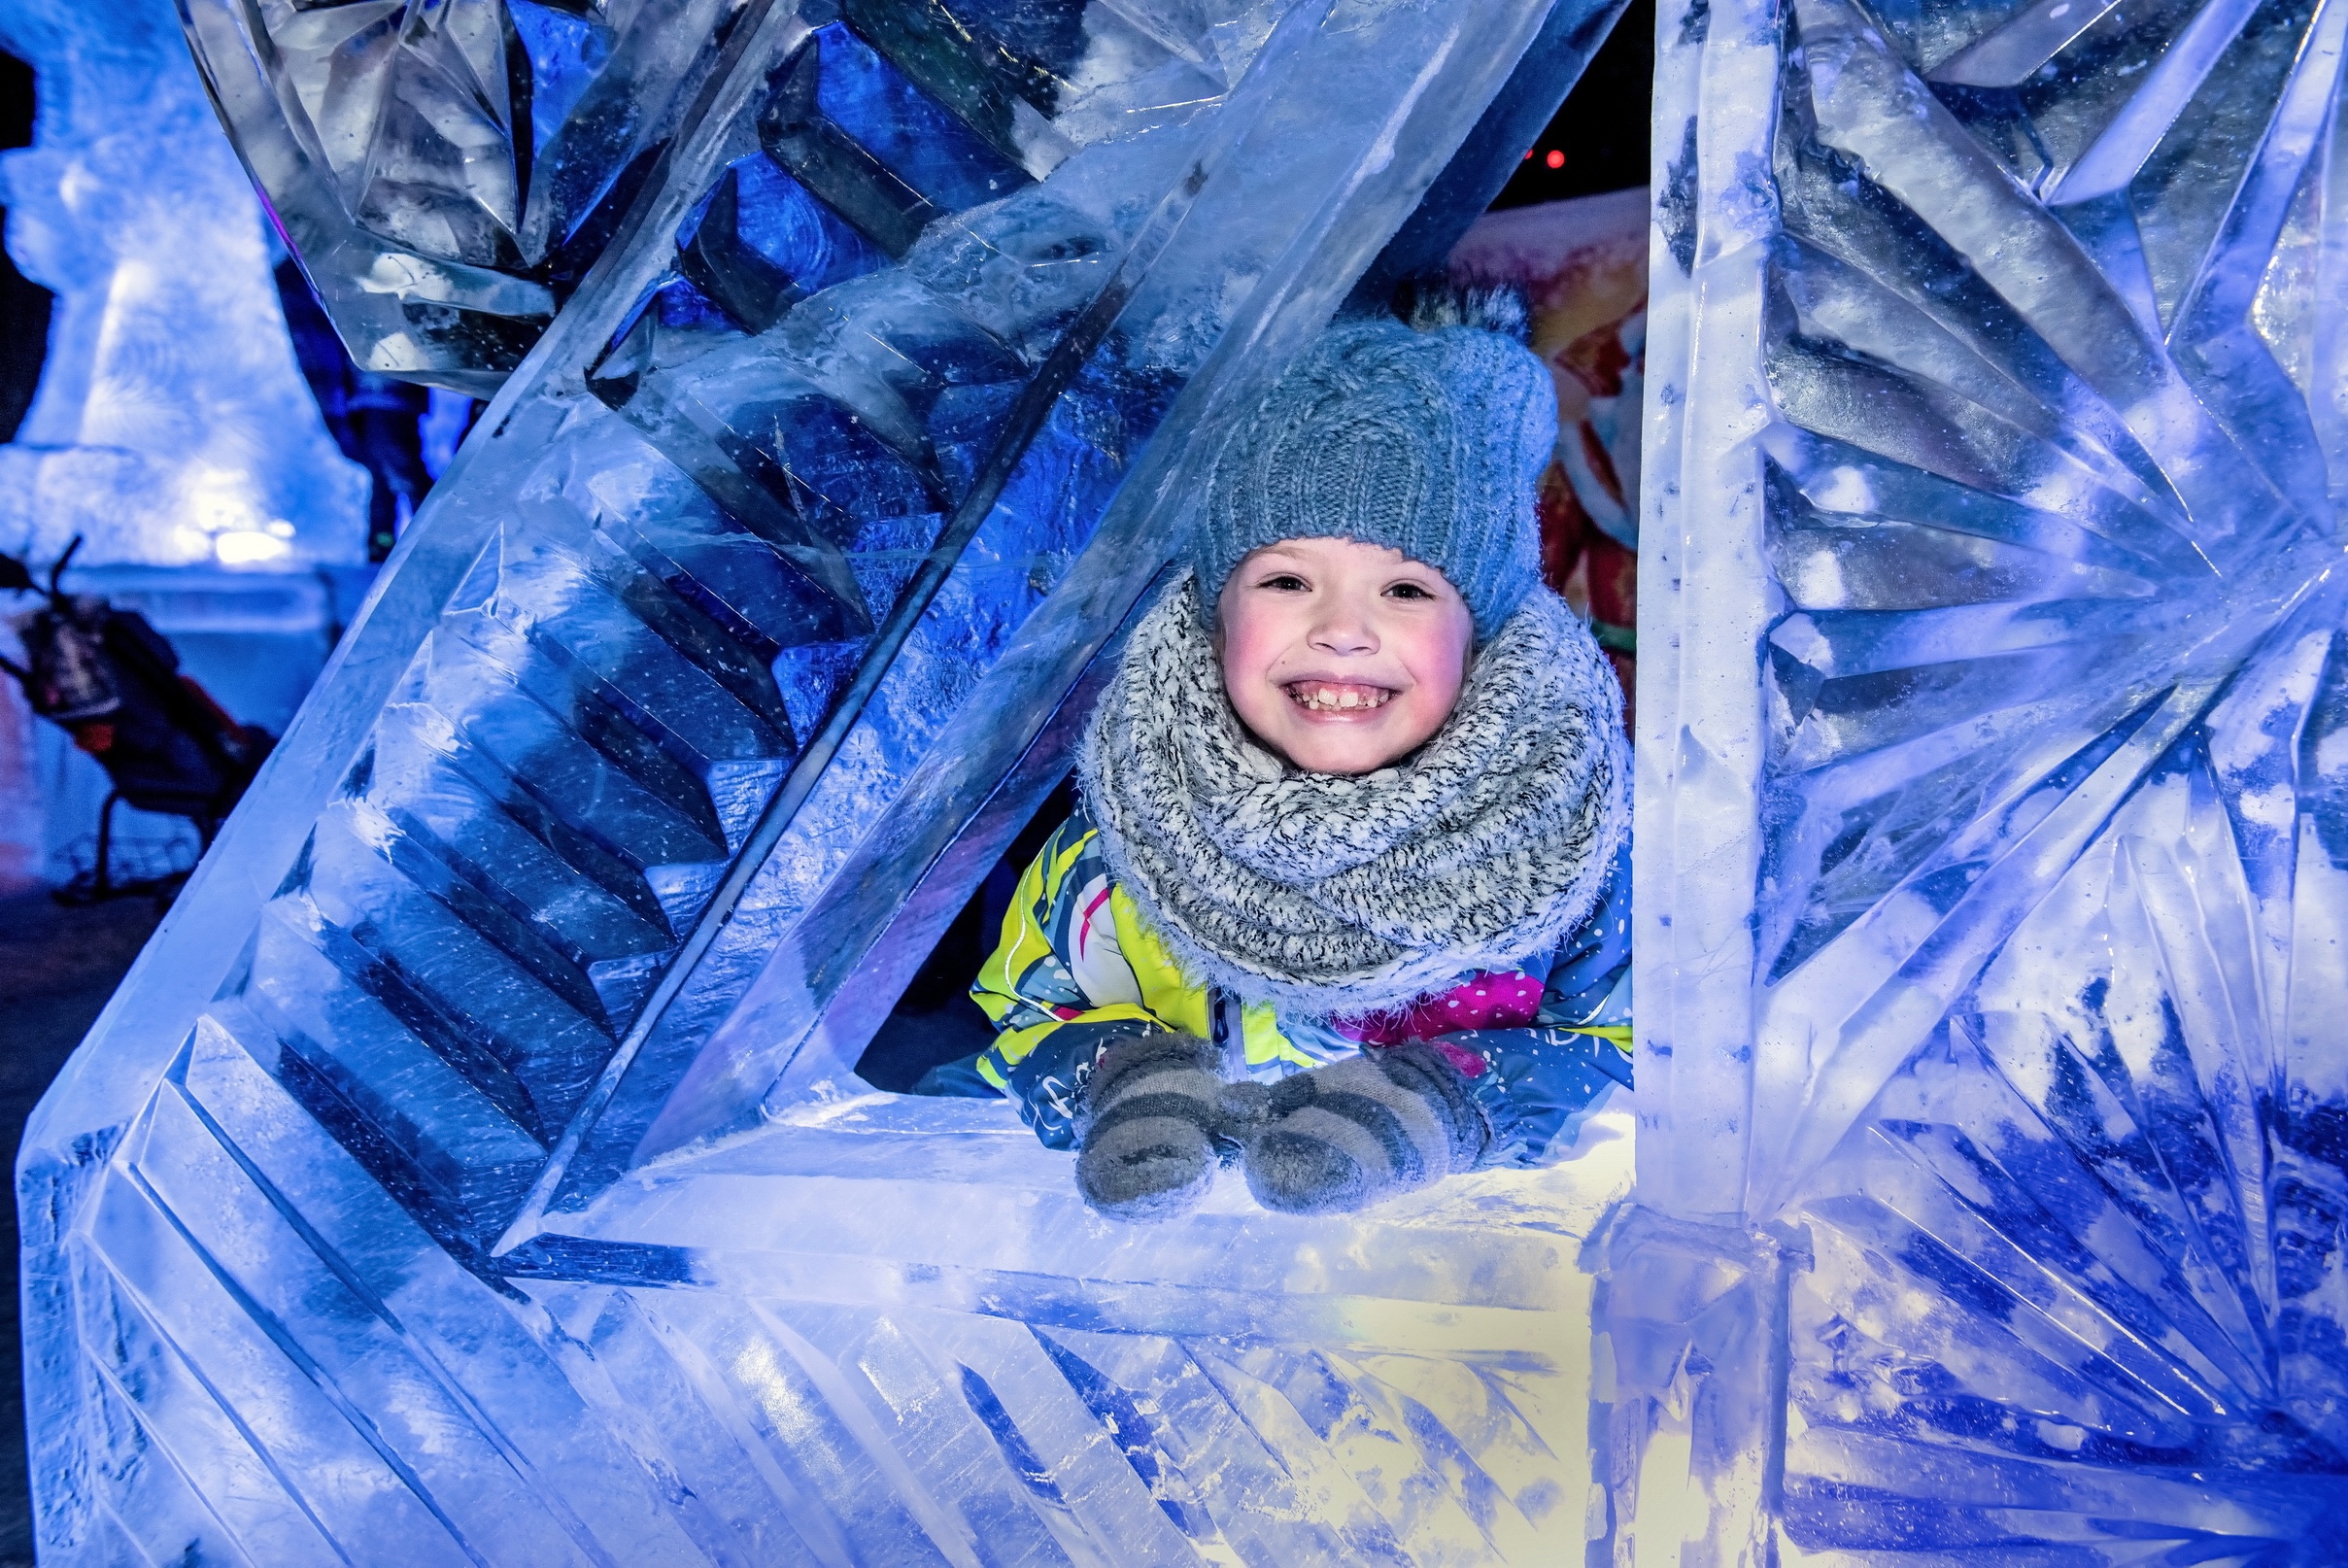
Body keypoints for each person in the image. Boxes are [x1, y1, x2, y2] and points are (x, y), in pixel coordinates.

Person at [915, 292, 1631, 1220]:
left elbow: (1624, 1030)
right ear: (1217, 614)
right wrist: (1134, 1081)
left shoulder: (1576, 838)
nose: (1341, 630)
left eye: (1407, 588)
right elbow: (1034, 994)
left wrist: (1445, 1106)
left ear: (1480, 634)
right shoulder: (1133, 818)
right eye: (1286, 580)